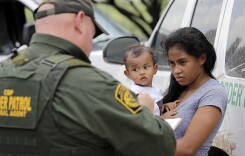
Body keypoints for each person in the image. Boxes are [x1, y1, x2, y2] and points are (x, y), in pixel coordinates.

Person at [0, 0, 176, 156]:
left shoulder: (4, 71)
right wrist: (145, 110)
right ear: (79, 21)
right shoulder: (91, 83)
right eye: (92, 35)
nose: (91, 46)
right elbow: (161, 144)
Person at [162, 27, 228, 156]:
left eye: (182, 62)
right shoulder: (179, 88)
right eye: (172, 63)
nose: (176, 70)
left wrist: (140, 145)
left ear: (202, 58)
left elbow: (188, 148)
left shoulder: (213, 93)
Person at [123, 44, 163, 115]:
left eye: (146, 67)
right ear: (128, 74)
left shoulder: (156, 90)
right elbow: (144, 120)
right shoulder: (135, 95)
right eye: (135, 69)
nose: (142, 72)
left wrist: (165, 106)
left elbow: (156, 109)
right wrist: (164, 118)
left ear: (155, 69)